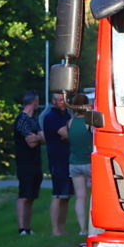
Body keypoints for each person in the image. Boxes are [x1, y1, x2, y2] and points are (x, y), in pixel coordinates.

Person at [59, 93, 93, 235]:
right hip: (90, 162)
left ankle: (82, 229)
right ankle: (93, 227)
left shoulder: (70, 122)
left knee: (80, 197)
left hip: (74, 162)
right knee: (94, 197)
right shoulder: (90, 122)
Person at [13, 90, 44, 235]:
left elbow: (43, 138)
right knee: (24, 195)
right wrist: (39, 138)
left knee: (32, 196)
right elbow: (31, 142)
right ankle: (21, 228)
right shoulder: (22, 120)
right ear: (35, 102)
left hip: (35, 162)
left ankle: (28, 227)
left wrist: (37, 138)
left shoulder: (34, 120)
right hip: (25, 162)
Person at [42, 92, 73, 236]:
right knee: (58, 194)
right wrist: (69, 132)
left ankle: (62, 227)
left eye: (64, 100)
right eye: (60, 100)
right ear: (53, 101)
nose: (62, 102)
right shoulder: (51, 117)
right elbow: (67, 133)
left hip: (68, 157)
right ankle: (55, 229)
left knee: (66, 196)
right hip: (57, 159)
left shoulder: (66, 115)